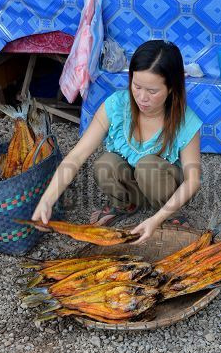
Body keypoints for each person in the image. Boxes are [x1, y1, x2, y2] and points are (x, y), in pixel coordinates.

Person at [32, 40, 202, 244]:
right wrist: (47, 200)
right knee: (105, 163)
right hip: (133, 185)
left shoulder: (185, 120)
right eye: (137, 86)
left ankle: (171, 215)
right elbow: (77, 156)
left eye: (152, 91)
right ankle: (124, 204)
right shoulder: (116, 105)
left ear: (172, 88)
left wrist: (156, 220)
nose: (141, 97)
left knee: (147, 165)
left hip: (163, 187)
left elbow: (193, 181)